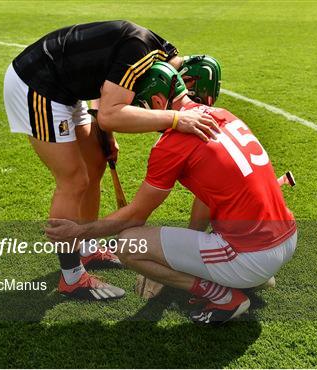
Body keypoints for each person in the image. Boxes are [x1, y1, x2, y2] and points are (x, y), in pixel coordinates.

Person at [46, 62, 297, 324]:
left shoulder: (171, 144)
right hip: (286, 237)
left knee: (128, 244)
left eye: (141, 108)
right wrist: (180, 259)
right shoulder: (222, 113)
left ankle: (224, 296)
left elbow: (134, 218)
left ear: (156, 100)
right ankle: (250, 274)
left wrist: (79, 232)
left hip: (252, 254)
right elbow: (207, 195)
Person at [3, 20, 221, 300]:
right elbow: (110, 112)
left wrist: (105, 133)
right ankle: (71, 277)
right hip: (39, 85)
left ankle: (88, 248)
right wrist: (177, 118)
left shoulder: (162, 52)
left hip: (69, 90)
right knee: (73, 180)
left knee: (95, 164)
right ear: (187, 80)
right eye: (187, 95)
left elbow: (106, 83)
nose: (184, 101)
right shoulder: (140, 52)